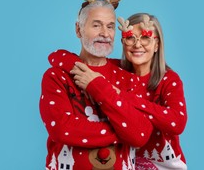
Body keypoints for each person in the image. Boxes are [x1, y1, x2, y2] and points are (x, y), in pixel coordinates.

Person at [39, 0, 153, 170]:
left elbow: (141, 134)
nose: (105, 33)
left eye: (110, 26)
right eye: (96, 25)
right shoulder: (56, 76)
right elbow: (62, 129)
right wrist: (124, 131)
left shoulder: (129, 77)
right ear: (78, 29)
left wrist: (96, 86)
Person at [71, 13, 188, 170]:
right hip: (125, 163)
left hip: (164, 165)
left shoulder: (169, 80)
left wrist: (118, 94)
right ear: (122, 42)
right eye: (130, 38)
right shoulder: (113, 71)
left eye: (145, 38)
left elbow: (177, 122)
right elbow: (81, 63)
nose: (137, 45)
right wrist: (58, 56)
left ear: (157, 45)